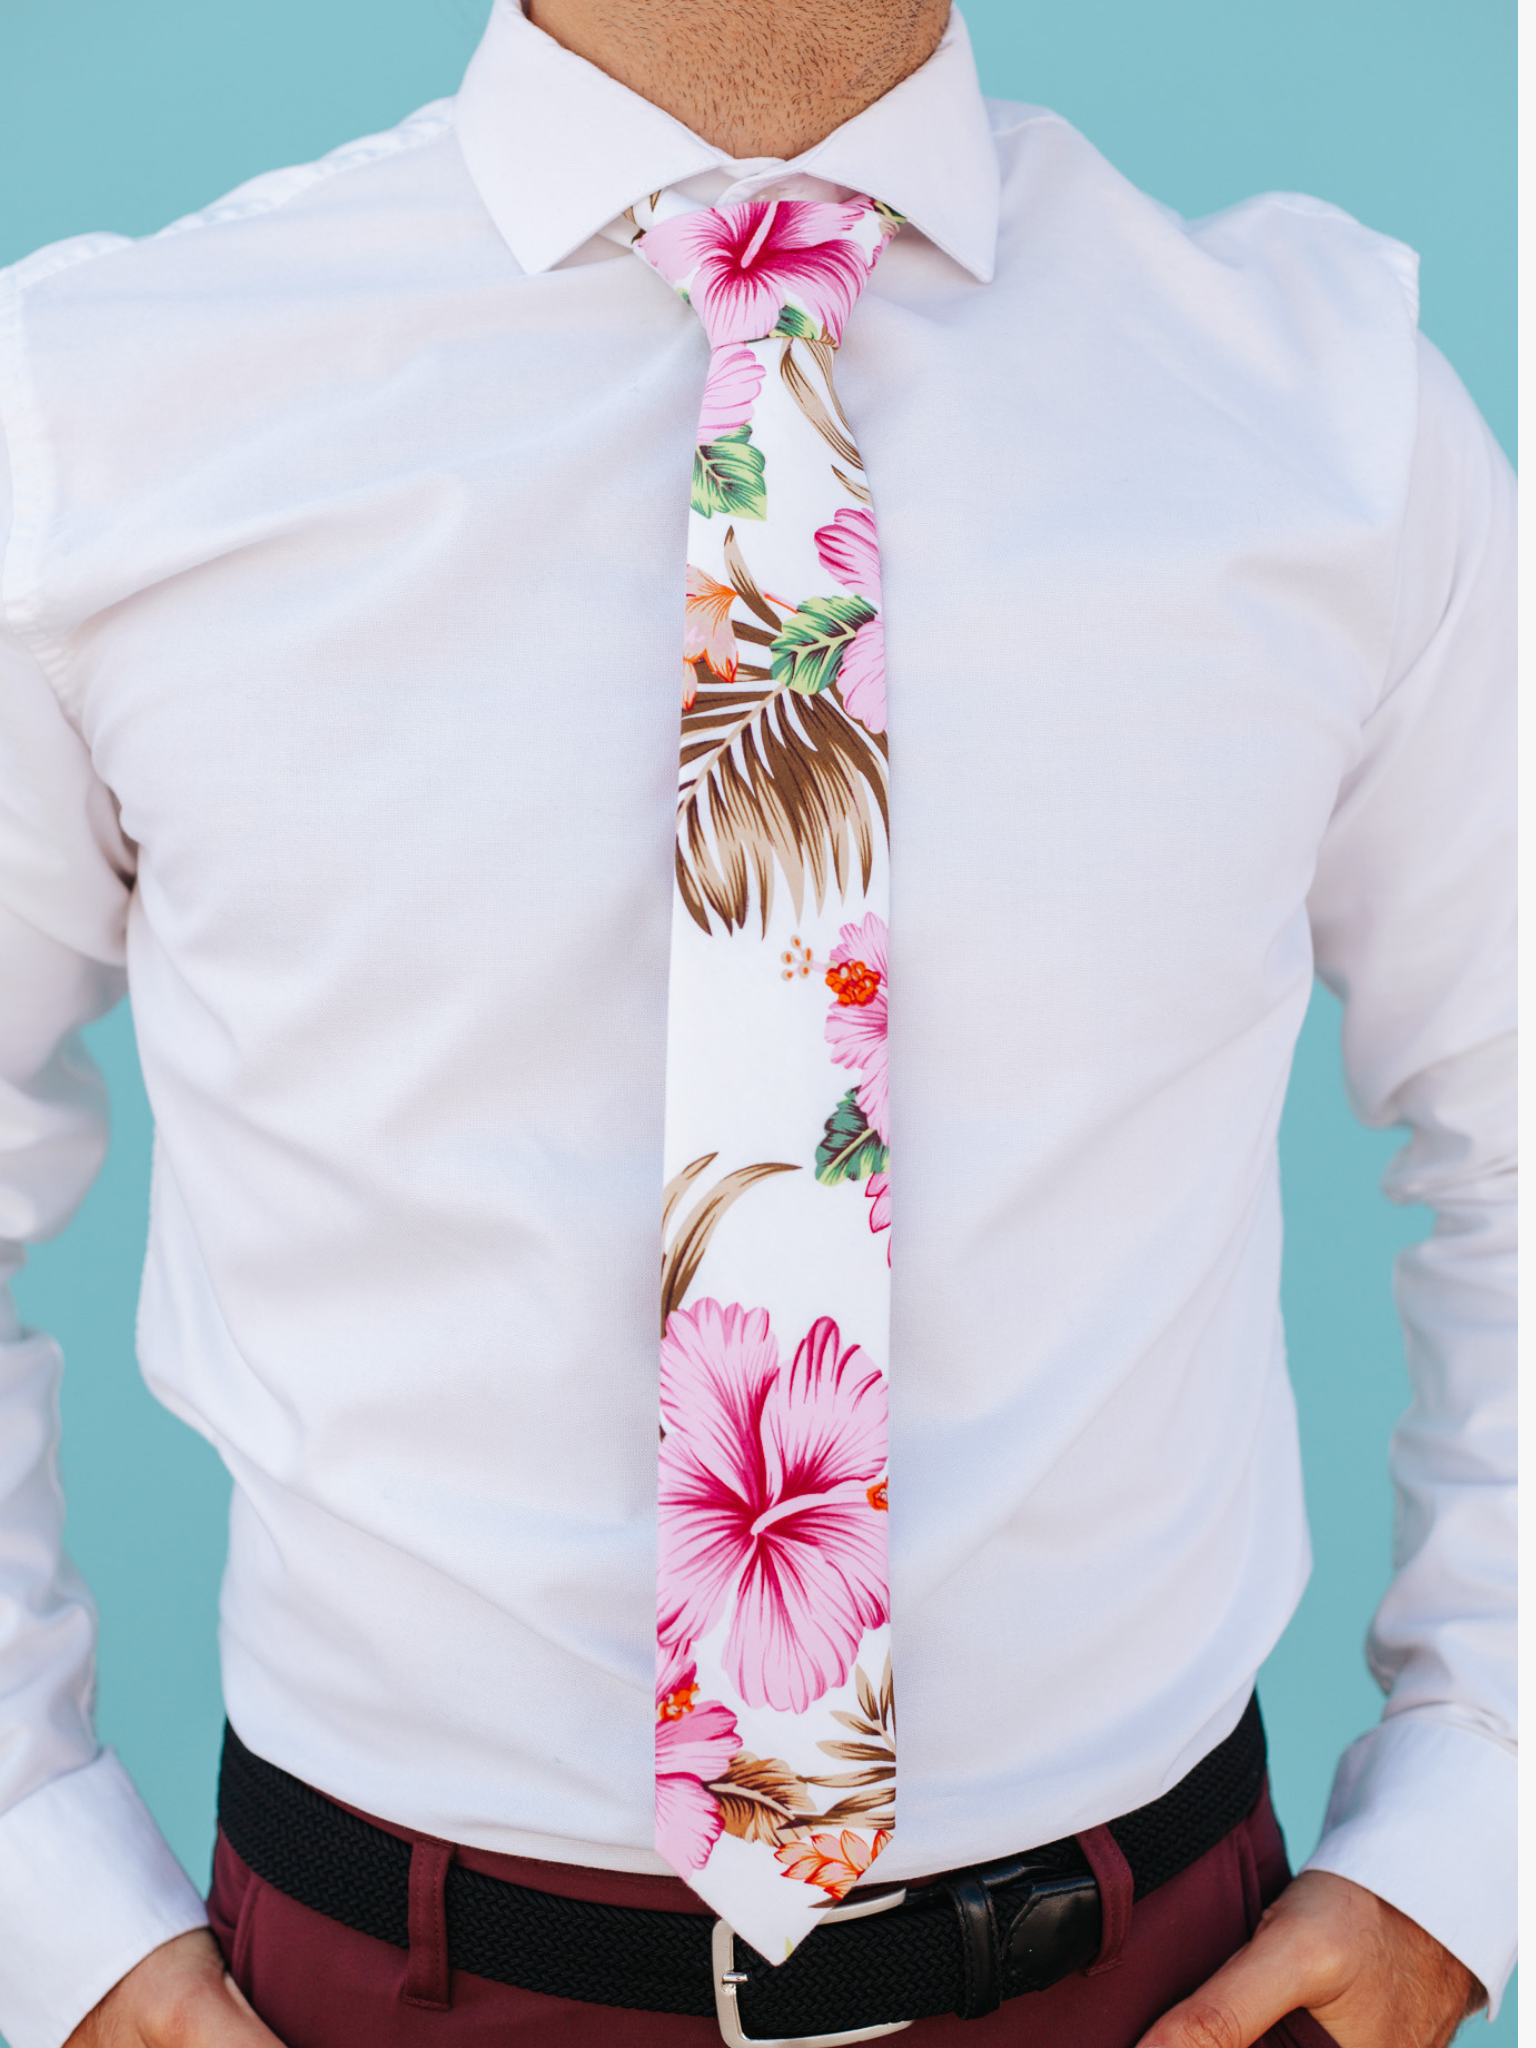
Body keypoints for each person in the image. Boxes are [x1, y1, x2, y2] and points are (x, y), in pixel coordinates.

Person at [0, 0, 1512, 2044]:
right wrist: (52, 1901)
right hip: (369, 1987)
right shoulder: (101, 417)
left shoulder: (1323, 407)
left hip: (1160, 1981)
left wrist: (1473, 1827)